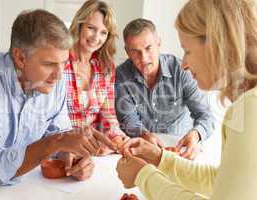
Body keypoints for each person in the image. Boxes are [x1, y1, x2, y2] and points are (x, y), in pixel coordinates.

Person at [0, 9, 116, 185]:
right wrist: (57, 142)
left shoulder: (54, 82)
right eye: (49, 64)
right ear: (20, 57)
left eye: (63, 63)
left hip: (22, 184)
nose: (58, 75)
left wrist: (71, 155)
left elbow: (57, 136)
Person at [116, 0, 257, 199]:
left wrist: (143, 175)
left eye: (187, 51)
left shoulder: (251, 108)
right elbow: (218, 181)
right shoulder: (247, 103)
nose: (184, 64)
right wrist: (159, 157)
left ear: (217, 45)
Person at [115, 18, 214, 159]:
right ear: (127, 52)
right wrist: (144, 134)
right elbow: (128, 120)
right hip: (145, 152)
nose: (143, 58)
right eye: (135, 52)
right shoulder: (121, 75)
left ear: (158, 43)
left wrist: (196, 134)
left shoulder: (180, 70)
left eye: (148, 48)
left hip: (181, 151)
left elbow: (205, 115)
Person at [59, 0, 127, 174]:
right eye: (91, 28)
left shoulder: (105, 67)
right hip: (60, 149)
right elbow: (49, 119)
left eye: (104, 32)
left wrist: (117, 139)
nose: (97, 37)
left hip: (93, 152)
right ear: (79, 25)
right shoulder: (59, 60)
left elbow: (108, 114)